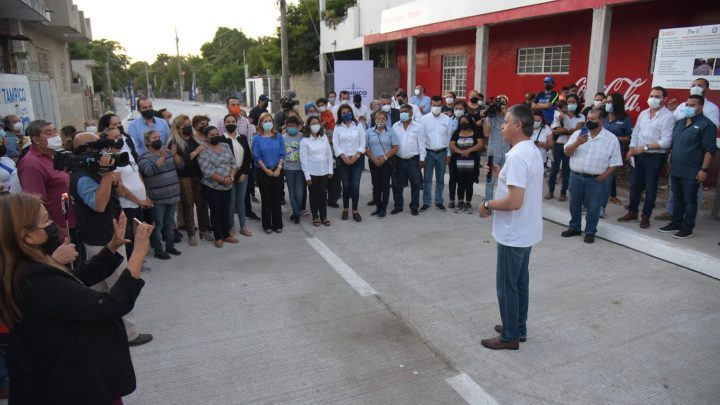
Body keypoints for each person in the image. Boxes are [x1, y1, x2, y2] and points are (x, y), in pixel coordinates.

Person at [0, 193, 154, 404]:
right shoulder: (34, 278)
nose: (53, 225)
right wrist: (138, 253)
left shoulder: (20, 270)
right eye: (45, 220)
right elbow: (110, 306)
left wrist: (111, 247)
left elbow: (74, 279)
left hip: (55, 379)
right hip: (71, 385)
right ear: (26, 236)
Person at [69, 132, 152, 347]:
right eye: (100, 147)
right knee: (119, 283)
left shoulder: (93, 171)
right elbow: (98, 204)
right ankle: (129, 334)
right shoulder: (82, 176)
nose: (106, 152)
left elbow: (114, 193)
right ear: (87, 151)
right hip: (100, 239)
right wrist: (107, 175)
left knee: (98, 287)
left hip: (108, 235)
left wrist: (110, 177)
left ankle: (94, 327)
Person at [478, 104, 544, 350]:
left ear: (518, 125)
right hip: (526, 231)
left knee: (507, 286)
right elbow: (517, 186)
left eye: (506, 121)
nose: (502, 126)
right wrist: (499, 174)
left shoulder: (517, 156)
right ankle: (518, 326)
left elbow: (514, 201)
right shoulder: (530, 151)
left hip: (513, 233)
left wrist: (487, 203)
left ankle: (510, 336)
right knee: (519, 283)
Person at [659, 95, 717, 239]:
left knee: (689, 200)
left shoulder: (707, 125)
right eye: (687, 104)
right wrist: (669, 162)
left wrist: (704, 170)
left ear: (700, 107)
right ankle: (675, 223)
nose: (688, 108)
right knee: (677, 197)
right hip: (676, 168)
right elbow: (674, 145)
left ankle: (687, 228)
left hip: (693, 170)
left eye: (692, 105)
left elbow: (710, 150)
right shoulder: (680, 123)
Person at [561, 109, 623, 243]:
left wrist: (603, 176)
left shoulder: (611, 139)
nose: (589, 122)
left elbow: (615, 163)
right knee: (574, 205)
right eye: (588, 118)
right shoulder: (579, 134)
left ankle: (590, 231)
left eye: (593, 119)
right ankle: (575, 227)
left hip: (596, 179)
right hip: (576, 176)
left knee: (594, 207)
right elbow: (566, 152)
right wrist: (577, 143)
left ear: (602, 121)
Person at [618, 86, 675, 229]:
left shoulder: (667, 117)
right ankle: (632, 212)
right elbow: (636, 132)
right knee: (635, 186)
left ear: (664, 99)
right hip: (638, 155)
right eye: (652, 96)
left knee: (650, 188)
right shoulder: (643, 113)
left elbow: (666, 142)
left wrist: (644, 147)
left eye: (657, 96)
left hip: (654, 157)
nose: (653, 99)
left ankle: (646, 216)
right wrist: (631, 148)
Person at [16, 120, 77, 249]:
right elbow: (36, 202)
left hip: (71, 223)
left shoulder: (53, 156)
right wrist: (57, 230)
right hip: (57, 231)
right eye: (48, 133)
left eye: (55, 131)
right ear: (36, 140)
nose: (55, 136)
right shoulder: (31, 164)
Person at [101, 127, 153, 267]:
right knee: (129, 235)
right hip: (127, 204)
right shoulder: (109, 159)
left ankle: (138, 259)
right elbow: (120, 188)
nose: (119, 139)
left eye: (119, 136)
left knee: (138, 232)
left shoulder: (125, 154)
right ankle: (131, 264)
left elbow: (137, 174)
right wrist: (139, 200)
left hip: (139, 202)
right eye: (115, 137)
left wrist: (145, 195)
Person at [138, 129, 184, 259]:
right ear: (147, 142)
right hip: (157, 198)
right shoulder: (143, 158)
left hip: (173, 195)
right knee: (157, 225)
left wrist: (174, 155)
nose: (158, 140)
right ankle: (158, 250)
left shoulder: (169, 152)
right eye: (154, 138)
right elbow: (148, 171)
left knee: (170, 223)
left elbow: (181, 166)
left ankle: (170, 246)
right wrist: (163, 157)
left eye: (159, 137)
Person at [168, 115, 212, 245]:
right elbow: (181, 163)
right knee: (188, 206)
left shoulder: (194, 139)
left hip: (198, 176)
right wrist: (195, 152)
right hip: (184, 178)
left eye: (188, 124)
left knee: (202, 204)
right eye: (184, 125)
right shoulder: (174, 143)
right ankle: (191, 233)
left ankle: (204, 230)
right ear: (178, 128)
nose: (187, 127)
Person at [198, 126, 237, 247]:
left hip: (228, 184)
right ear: (206, 137)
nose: (215, 137)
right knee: (216, 211)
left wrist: (231, 177)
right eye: (212, 135)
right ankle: (218, 237)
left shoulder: (225, 146)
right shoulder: (203, 149)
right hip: (212, 186)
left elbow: (233, 163)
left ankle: (226, 235)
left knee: (226, 210)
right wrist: (223, 180)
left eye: (216, 134)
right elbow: (207, 171)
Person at [547, 93, 585, 201]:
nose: (571, 104)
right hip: (559, 144)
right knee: (554, 169)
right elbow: (554, 129)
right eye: (569, 102)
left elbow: (577, 131)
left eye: (574, 102)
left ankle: (563, 193)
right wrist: (567, 130)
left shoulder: (581, 116)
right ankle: (551, 191)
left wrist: (563, 130)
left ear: (577, 103)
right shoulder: (559, 114)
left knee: (566, 170)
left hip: (571, 146)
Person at [221, 114, 253, 237]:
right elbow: (222, 159)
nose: (231, 124)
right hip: (228, 175)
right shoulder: (221, 139)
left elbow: (248, 157)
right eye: (228, 122)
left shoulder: (242, 138)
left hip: (242, 175)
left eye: (233, 121)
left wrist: (244, 173)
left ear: (236, 123)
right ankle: (231, 227)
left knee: (241, 201)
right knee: (231, 202)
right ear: (224, 124)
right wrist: (231, 175)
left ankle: (243, 226)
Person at [253, 113, 286, 233]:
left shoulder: (278, 136)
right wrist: (266, 170)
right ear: (261, 123)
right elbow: (257, 156)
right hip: (263, 171)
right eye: (265, 121)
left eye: (269, 121)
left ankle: (278, 224)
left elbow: (283, 153)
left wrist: (278, 168)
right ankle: (267, 225)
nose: (268, 123)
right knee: (266, 199)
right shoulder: (256, 138)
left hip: (278, 170)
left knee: (277, 198)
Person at [419, 95, 453, 212]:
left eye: (438, 106)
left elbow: (449, 138)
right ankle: (426, 202)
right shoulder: (424, 120)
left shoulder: (447, 120)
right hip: (429, 153)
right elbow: (422, 139)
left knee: (440, 178)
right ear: (431, 105)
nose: (436, 108)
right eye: (434, 105)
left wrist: (449, 154)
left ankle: (439, 201)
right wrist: (422, 157)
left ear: (442, 105)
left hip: (442, 152)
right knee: (427, 179)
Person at [333, 104, 366, 222]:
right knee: (346, 185)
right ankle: (346, 209)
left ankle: (355, 211)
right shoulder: (337, 127)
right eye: (343, 113)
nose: (346, 114)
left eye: (348, 112)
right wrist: (344, 157)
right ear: (340, 115)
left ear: (351, 112)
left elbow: (363, 143)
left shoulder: (358, 125)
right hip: (343, 160)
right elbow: (335, 144)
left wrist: (356, 156)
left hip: (357, 159)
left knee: (355, 186)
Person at [300, 116, 334, 226]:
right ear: (309, 126)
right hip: (312, 172)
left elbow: (329, 154)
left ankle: (324, 216)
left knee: (323, 194)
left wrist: (330, 170)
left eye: (317, 122)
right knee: (314, 195)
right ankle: (315, 216)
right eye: (312, 123)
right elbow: (303, 159)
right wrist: (307, 176)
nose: (315, 125)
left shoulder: (323, 137)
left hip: (324, 171)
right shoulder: (305, 141)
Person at [602, 93, 633, 212]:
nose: (607, 104)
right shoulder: (603, 116)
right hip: (599, 153)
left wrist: (617, 139)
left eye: (609, 102)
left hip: (614, 155)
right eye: (606, 101)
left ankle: (601, 207)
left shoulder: (625, 119)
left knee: (607, 181)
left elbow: (629, 137)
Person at [391, 104, 425, 216]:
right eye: (401, 112)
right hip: (398, 160)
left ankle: (414, 206)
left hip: (413, 161)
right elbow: (392, 143)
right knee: (397, 185)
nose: (402, 114)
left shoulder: (418, 126)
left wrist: (422, 159)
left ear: (411, 114)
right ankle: (398, 206)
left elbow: (422, 144)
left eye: (405, 111)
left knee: (415, 185)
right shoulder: (395, 126)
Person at [365, 111, 398, 218]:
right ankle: (378, 207)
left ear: (386, 120)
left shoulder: (391, 131)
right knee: (376, 185)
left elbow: (395, 147)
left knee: (385, 185)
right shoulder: (369, 132)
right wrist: (373, 158)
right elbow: (365, 148)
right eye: (378, 119)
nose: (380, 121)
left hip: (386, 162)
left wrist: (384, 157)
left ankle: (383, 209)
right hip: (373, 162)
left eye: (383, 118)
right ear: (374, 120)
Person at [449, 114, 484, 214]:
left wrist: (469, 150)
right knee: (460, 184)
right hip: (458, 163)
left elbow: (480, 144)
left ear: (470, 122)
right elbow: (451, 145)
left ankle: (468, 203)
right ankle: (460, 203)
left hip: (472, 164)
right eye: (461, 122)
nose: (463, 123)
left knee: (469, 184)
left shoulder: (476, 131)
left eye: (465, 121)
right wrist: (461, 152)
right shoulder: (457, 132)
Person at [483, 95, 511, 200]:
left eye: (503, 103)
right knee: (490, 180)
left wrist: (504, 113)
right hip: (493, 152)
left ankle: (502, 202)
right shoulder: (491, 115)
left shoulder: (510, 116)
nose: (501, 105)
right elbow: (486, 133)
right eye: (499, 102)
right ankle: (488, 204)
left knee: (505, 180)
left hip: (506, 152)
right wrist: (487, 117)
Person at [282, 116, 305, 224]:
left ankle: (296, 211)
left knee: (299, 193)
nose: (291, 127)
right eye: (289, 126)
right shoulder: (283, 138)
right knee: (291, 193)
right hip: (288, 169)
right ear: (286, 127)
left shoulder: (302, 137)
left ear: (298, 127)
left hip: (300, 169)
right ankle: (296, 214)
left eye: (293, 126)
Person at [447, 100, 470, 209]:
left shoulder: (469, 121)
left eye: (460, 109)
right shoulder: (449, 121)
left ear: (465, 109)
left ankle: (463, 200)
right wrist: (448, 154)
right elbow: (447, 139)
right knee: (452, 178)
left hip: (466, 154)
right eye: (456, 109)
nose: (458, 111)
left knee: (464, 179)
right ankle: (452, 200)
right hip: (453, 153)